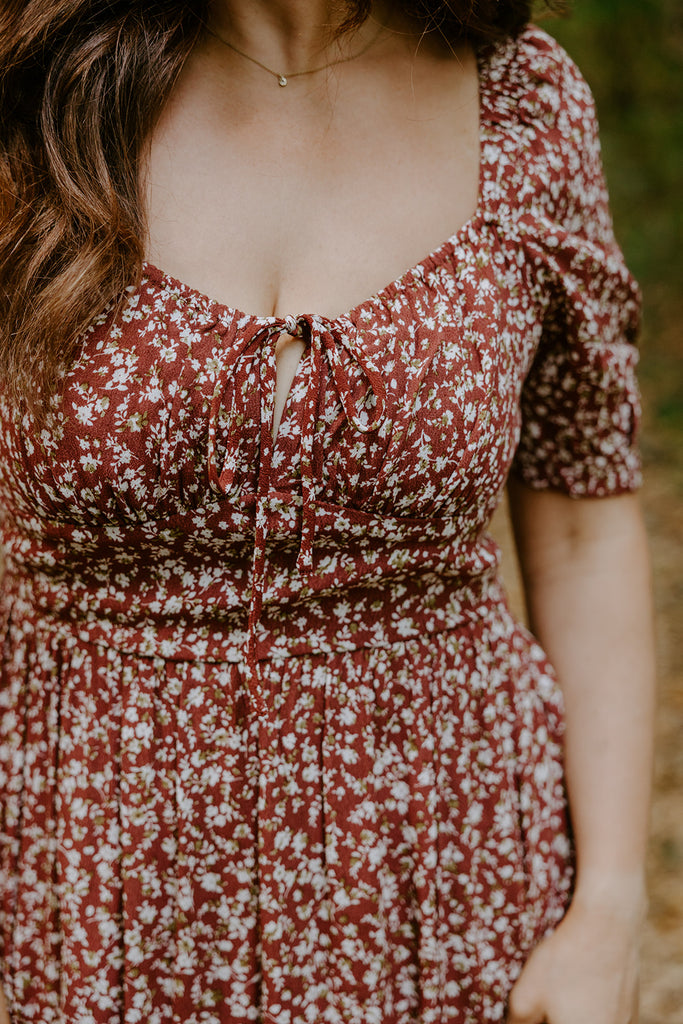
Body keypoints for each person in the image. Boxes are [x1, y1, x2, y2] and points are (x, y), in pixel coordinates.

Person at [0, 1, 656, 1022]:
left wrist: (609, 910)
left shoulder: (524, 107)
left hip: (449, 890)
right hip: (89, 890)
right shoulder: (28, 91)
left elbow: (581, 515)